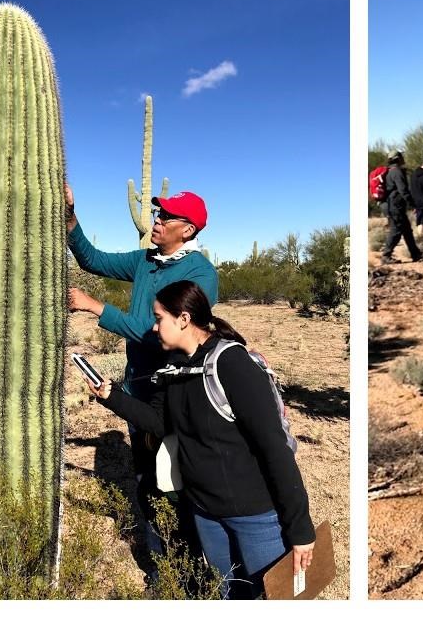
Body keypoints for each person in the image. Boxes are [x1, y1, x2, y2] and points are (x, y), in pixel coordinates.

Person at [86, 280, 316, 599]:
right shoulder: (177, 367)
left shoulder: (231, 364)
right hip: (206, 512)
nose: (154, 328)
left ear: (183, 319)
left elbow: (274, 449)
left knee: (274, 597)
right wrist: (110, 395)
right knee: (228, 592)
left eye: (158, 318)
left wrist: (300, 529)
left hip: (255, 515)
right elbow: (160, 422)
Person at [65, 185, 219, 564]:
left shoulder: (200, 273)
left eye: (165, 217)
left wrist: (94, 306)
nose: (157, 220)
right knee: (147, 477)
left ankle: (190, 560)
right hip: (138, 386)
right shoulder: (147, 260)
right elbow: (93, 259)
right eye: (156, 214)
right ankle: (157, 561)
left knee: (177, 480)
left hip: (175, 392)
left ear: (187, 230)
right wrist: (69, 216)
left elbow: (157, 331)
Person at [380, 151, 422, 264]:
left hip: (393, 205)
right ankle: (386, 255)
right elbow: (403, 190)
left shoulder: (391, 172)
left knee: (407, 230)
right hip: (395, 206)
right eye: (402, 156)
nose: (404, 158)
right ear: (398, 159)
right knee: (396, 230)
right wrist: (412, 204)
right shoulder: (396, 172)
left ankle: (416, 254)